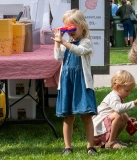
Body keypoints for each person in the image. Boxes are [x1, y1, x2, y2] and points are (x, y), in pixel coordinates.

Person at [51, 9, 98, 156]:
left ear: (82, 25)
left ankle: (90, 146)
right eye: (67, 28)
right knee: (68, 116)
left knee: (86, 115)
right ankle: (67, 146)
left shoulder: (86, 42)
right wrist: (58, 42)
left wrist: (64, 41)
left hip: (82, 82)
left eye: (73, 28)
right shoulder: (67, 42)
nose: (70, 32)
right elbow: (58, 57)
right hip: (67, 82)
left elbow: (78, 51)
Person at [92, 70, 137, 149]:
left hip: (102, 128)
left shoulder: (118, 96)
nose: (129, 93)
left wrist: (127, 119)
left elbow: (121, 111)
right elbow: (118, 109)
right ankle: (110, 143)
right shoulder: (113, 97)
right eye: (127, 90)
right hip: (97, 131)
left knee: (123, 115)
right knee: (118, 115)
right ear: (117, 87)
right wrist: (134, 102)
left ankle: (112, 140)